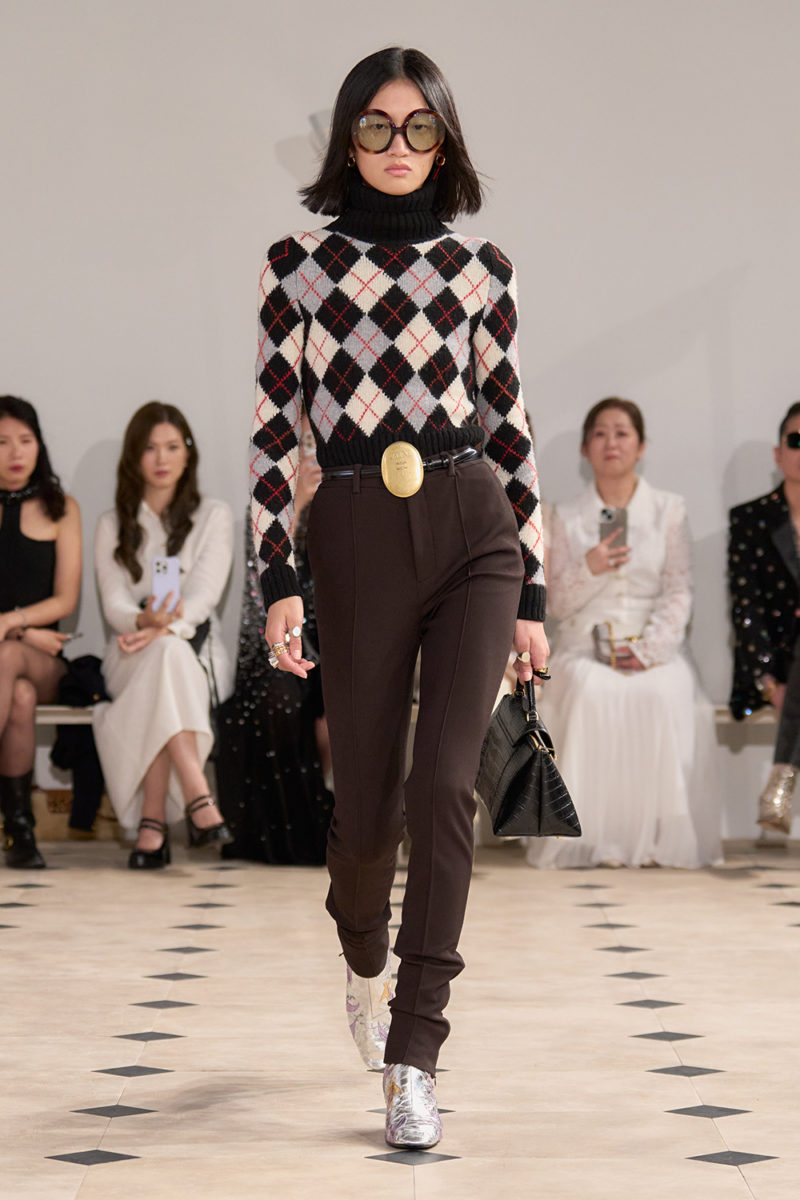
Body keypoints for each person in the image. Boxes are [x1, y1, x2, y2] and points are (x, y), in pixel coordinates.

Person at [250, 47, 547, 1150]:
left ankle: (414, 1054)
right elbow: (274, 435)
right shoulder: (298, 266)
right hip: (354, 534)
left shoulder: (481, 270)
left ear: (444, 141)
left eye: (419, 126)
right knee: (367, 810)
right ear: (347, 139)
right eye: (375, 125)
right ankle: (361, 949)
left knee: (444, 785)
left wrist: (534, 593)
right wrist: (277, 577)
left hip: (474, 529)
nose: (396, 145)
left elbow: (510, 428)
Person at [526, 397, 721, 870]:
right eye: (600, 433)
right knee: (590, 691)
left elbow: (679, 590)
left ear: (641, 446)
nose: (611, 442)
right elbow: (555, 604)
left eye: (622, 433)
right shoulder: (563, 515)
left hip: (655, 646)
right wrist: (589, 567)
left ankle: (657, 839)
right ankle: (591, 839)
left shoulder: (668, 510)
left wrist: (650, 651)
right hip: (583, 644)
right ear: (584, 449)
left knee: (665, 690)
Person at [93, 402, 234, 868]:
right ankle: (198, 793)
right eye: (150, 448)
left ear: (188, 453)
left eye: (172, 447)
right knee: (162, 662)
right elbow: (114, 604)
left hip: (196, 651)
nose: (161, 458)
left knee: (168, 657)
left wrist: (165, 629)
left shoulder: (213, 516)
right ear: (134, 456)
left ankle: (152, 823)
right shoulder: (112, 524)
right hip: (129, 651)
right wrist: (143, 623)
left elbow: (204, 597)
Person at [216, 422, 334, 865]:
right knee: (277, 699)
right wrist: (294, 509)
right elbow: (258, 600)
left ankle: (329, 817)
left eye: (314, 444)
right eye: (301, 446)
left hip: (335, 647)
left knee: (342, 705)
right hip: (276, 648)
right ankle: (293, 830)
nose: (309, 456)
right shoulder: (263, 512)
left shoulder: (348, 503)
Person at [0, 396, 81, 869]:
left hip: (46, 660)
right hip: (27, 648)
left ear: (39, 445)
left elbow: (65, 600)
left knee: (9, 660)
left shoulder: (61, 508)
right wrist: (24, 631)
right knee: (20, 696)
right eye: (2, 442)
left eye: (25, 440)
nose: (15, 452)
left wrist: (11, 624)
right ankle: (19, 829)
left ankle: (18, 827)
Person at [729, 401, 800, 834]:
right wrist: (769, 683)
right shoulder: (750, 520)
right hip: (773, 666)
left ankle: (781, 778)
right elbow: (746, 607)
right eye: (797, 440)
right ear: (779, 453)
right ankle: (781, 782)